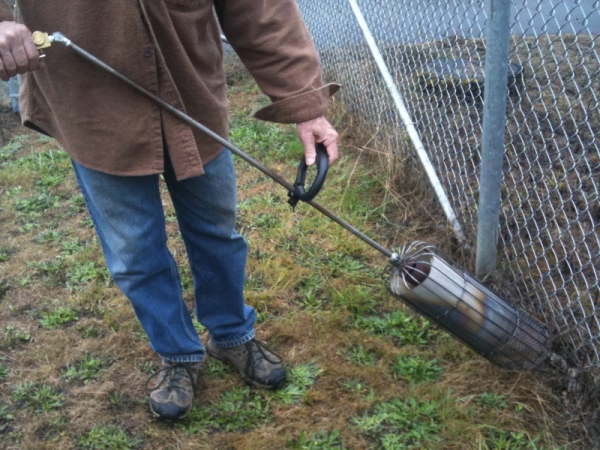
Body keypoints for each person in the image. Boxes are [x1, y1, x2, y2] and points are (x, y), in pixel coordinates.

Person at [0, 1, 340, 420]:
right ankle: (178, 355)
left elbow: (261, 9)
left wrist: (305, 104)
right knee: (135, 253)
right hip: (90, 111)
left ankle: (231, 334)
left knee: (217, 233)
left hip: (192, 101)